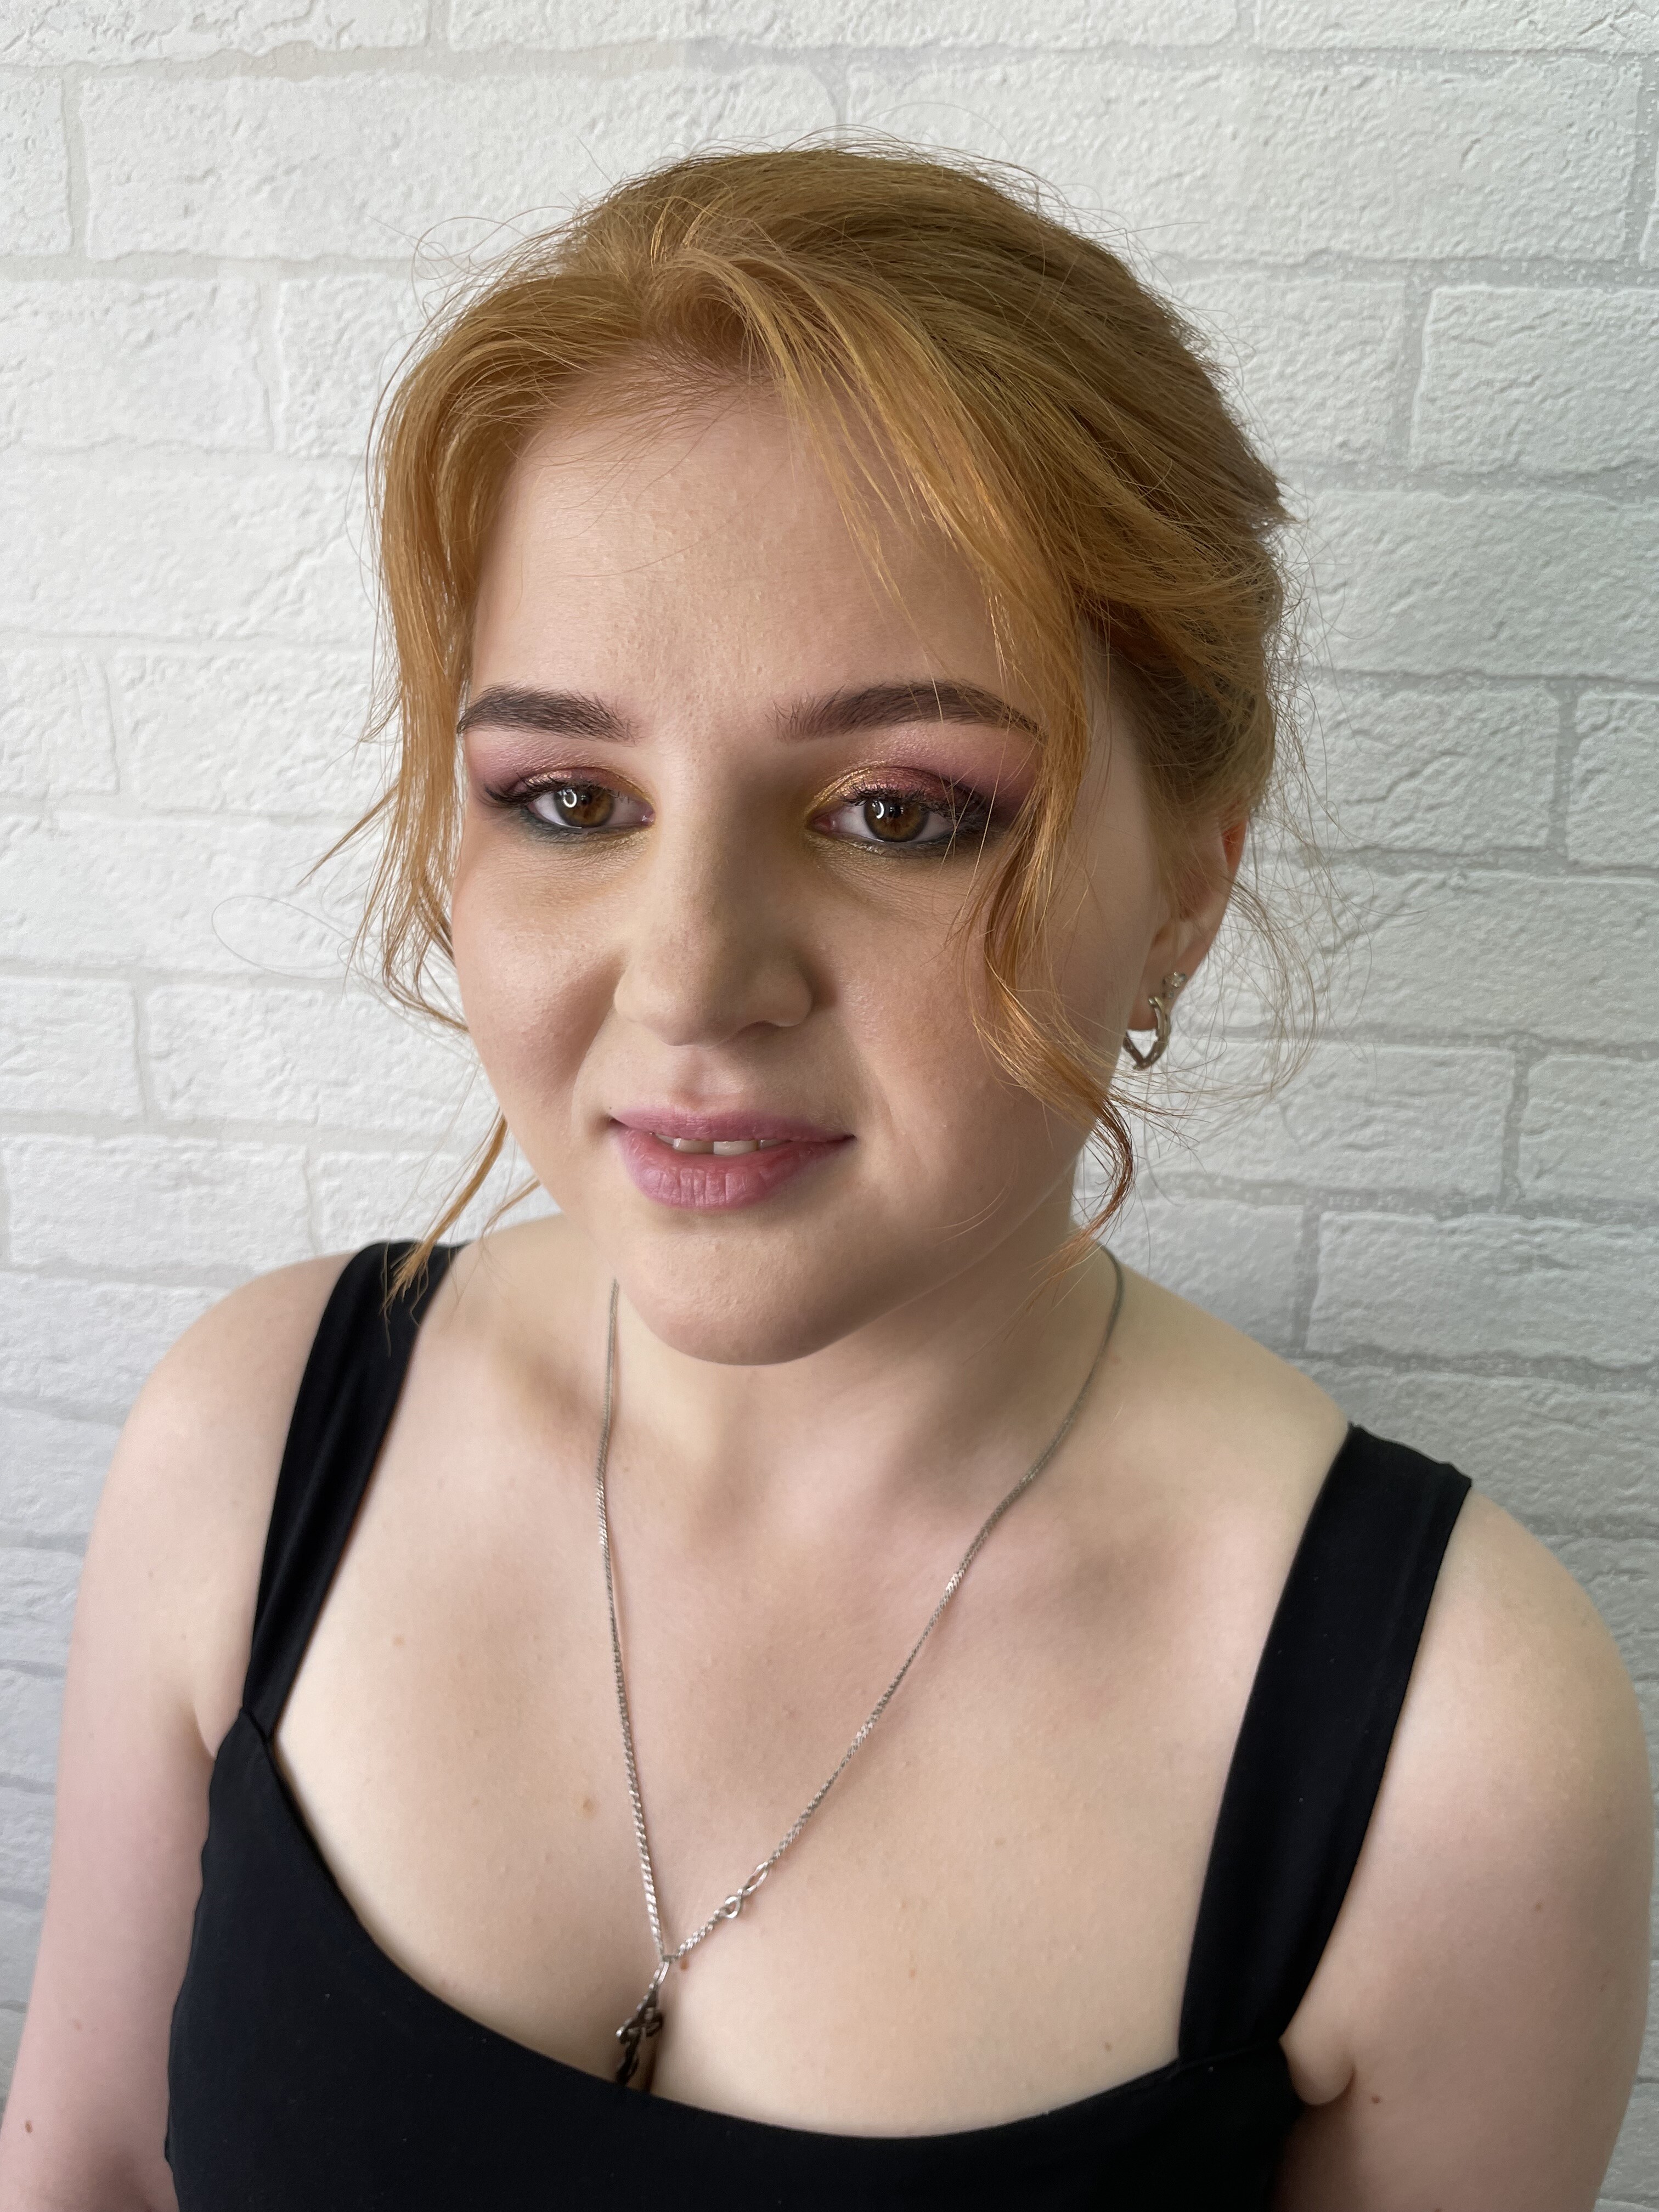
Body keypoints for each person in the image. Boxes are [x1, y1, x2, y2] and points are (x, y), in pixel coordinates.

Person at [0, 144, 1648, 2211]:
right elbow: (90, 2167)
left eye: (898, 813)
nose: (690, 977)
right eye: (569, 797)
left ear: (1186, 887)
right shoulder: (254, 1450)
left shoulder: (1454, 1753)